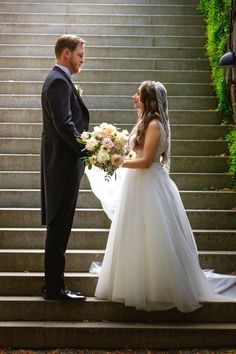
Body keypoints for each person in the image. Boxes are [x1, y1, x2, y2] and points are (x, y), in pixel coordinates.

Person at [86, 81, 236, 312]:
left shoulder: (154, 125)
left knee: (154, 233)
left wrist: (119, 162)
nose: (133, 96)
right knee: (133, 232)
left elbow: (146, 161)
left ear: (148, 99)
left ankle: (158, 288)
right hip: (135, 184)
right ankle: (131, 283)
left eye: (138, 94)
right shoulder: (144, 122)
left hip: (149, 184)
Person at [41, 35, 90, 300]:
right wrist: (89, 149)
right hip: (61, 167)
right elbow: (64, 124)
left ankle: (53, 285)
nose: (83, 59)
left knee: (60, 227)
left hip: (61, 164)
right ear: (66, 53)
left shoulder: (59, 81)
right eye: (80, 54)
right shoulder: (58, 81)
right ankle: (54, 288)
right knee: (59, 227)